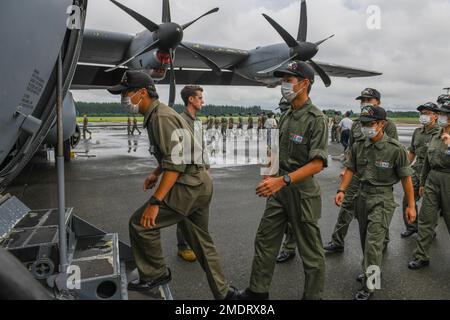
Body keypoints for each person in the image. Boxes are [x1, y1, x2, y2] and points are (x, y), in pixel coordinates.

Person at [107, 70, 237, 299]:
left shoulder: (160, 117)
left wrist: (156, 201)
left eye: (127, 93)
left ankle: (155, 274)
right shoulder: (161, 114)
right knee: (202, 242)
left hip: (188, 185)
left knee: (141, 224)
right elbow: (178, 151)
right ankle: (225, 294)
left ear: (142, 93)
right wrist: (156, 172)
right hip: (199, 182)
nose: (124, 98)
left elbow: (176, 164)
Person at [237, 61, 327, 300]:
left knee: (311, 250)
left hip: (301, 191)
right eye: (284, 80)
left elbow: (317, 163)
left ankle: (313, 296)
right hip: (279, 189)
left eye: (290, 80)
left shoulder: (315, 118)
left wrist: (283, 180)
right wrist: (269, 173)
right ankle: (257, 292)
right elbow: (275, 149)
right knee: (265, 240)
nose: (284, 84)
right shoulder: (286, 115)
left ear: (305, 84)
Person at [335, 105, 416, 300]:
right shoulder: (358, 145)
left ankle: (370, 285)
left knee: (373, 243)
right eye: (362, 124)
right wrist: (341, 190)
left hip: (382, 199)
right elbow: (350, 169)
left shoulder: (395, 150)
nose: (365, 128)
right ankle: (369, 269)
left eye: (369, 124)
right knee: (364, 239)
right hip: (362, 197)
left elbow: (406, 179)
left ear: (382, 124)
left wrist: (411, 205)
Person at [324, 88, 399, 253]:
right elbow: (351, 149)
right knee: (347, 205)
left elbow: (393, 153)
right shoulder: (357, 124)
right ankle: (337, 241)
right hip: (356, 173)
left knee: (378, 212)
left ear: (377, 102)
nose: (364, 103)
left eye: (368, 100)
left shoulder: (388, 125)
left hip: (378, 176)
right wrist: (346, 169)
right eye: (362, 100)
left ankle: (381, 242)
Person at [408, 101, 450, 269]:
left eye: (444, 114)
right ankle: (421, 256)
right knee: (426, 218)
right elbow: (426, 160)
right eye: (440, 114)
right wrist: (423, 181)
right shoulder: (435, 135)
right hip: (433, 178)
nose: (440, 117)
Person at [400, 102, 440, 238]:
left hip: (433, 171)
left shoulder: (441, 133)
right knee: (408, 198)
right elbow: (412, 152)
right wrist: (405, 167)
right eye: (422, 113)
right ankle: (411, 226)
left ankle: (428, 230)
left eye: (427, 113)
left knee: (431, 205)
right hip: (417, 169)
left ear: (436, 115)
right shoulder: (417, 132)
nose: (424, 116)